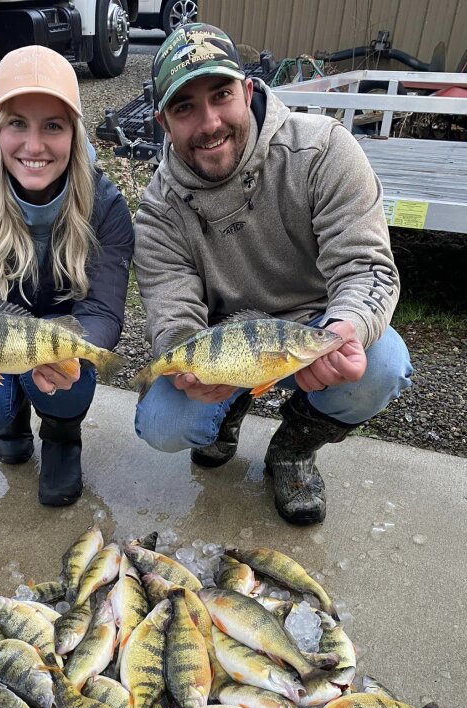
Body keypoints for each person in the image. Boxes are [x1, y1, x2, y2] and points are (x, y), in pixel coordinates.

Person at [133, 23, 413, 525]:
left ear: (246, 91)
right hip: (224, 339)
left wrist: (344, 328)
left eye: (221, 95)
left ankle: (294, 449)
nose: (209, 122)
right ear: (163, 122)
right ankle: (227, 409)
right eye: (185, 107)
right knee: (163, 422)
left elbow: (366, 267)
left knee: (384, 364)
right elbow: (170, 308)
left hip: (315, 326)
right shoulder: (158, 207)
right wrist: (189, 367)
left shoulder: (324, 150)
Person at [0, 45, 133, 507]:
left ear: (73, 132)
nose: (34, 146)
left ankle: (61, 435)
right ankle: (8, 417)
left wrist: (79, 346)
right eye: (17, 123)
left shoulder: (107, 206)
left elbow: (103, 311)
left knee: (74, 370)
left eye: (52, 125)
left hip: (56, 341)